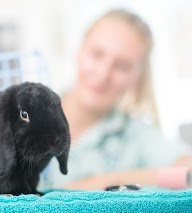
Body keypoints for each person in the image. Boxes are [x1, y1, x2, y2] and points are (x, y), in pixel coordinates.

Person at [38, 9, 192, 191]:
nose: (103, 74)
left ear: (138, 78)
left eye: (122, 66)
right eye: (96, 54)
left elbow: (187, 173)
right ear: (79, 52)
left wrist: (112, 181)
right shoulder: (25, 115)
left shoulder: (137, 136)